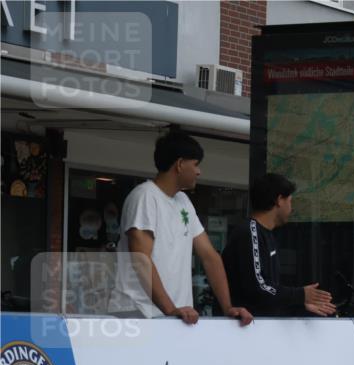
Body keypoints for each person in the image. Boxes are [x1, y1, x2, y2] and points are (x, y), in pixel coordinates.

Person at [108, 130, 252, 326]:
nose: (199, 171)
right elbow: (141, 260)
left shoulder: (183, 201)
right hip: (137, 312)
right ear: (180, 164)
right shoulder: (144, 196)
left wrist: (227, 307)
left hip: (175, 316)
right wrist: (169, 308)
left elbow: (210, 256)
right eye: (196, 164)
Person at [222, 174, 336, 317]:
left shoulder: (265, 234)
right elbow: (258, 287)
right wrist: (300, 295)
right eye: (290, 201)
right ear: (279, 200)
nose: (291, 208)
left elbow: (269, 294)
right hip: (245, 329)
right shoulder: (250, 233)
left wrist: (301, 303)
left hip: (260, 327)